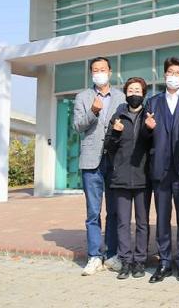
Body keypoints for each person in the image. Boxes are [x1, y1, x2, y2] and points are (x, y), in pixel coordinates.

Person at [73, 57, 125, 276]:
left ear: (110, 72)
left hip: (114, 160)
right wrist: (93, 111)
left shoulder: (121, 97)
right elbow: (78, 126)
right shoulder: (83, 97)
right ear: (91, 74)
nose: (99, 73)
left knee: (113, 211)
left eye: (103, 69)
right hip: (91, 160)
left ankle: (111, 255)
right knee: (93, 211)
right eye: (95, 70)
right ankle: (94, 256)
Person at [145, 57, 179, 284]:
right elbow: (144, 137)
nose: (173, 76)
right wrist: (147, 128)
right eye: (170, 72)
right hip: (160, 168)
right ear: (164, 75)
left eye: (177, 73)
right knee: (162, 219)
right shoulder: (153, 102)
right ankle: (164, 262)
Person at [104, 77, 152, 280]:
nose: (134, 94)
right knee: (123, 222)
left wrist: (150, 129)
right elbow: (108, 146)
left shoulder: (149, 115)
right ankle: (125, 261)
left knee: (142, 222)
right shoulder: (118, 116)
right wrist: (115, 133)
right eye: (131, 90)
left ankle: (140, 261)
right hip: (121, 177)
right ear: (125, 93)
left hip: (143, 176)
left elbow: (153, 145)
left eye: (138, 90)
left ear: (144, 94)